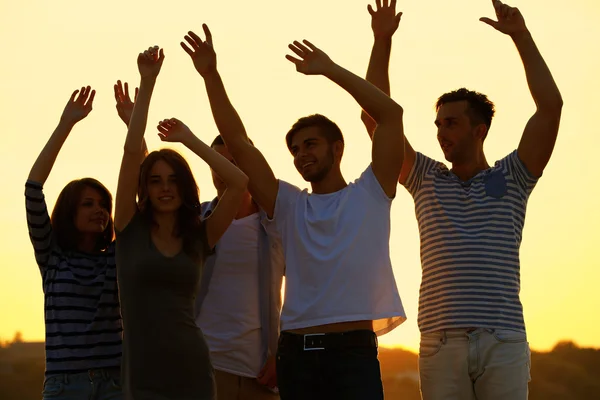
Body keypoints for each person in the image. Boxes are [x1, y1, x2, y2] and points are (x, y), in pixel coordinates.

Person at [181, 25, 406, 399]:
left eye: (311, 144)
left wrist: (330, 69)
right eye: (296, 149)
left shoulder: (372, 192)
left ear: (338, 148)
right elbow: (237, 140)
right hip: (297, 354)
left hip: (354, 353)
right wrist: (210, 75)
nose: (302, 154)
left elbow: (390, 115)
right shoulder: (287, 204)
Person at [360, 1, 563, 398]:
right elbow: (376, 117)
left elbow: (550, 108)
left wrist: (521, 36)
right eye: (437, 124)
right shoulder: (424, 177)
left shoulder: (514, 176)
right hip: (441, 343)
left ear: (480, 130)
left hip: (503, 342)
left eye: (451, 123)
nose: (440, 133)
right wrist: (381, 40)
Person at [114, 45, 249, 400]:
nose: (165, 188)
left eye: (173, 179)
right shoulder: (128, 228)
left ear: (185, 185)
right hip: (141, 373)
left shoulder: (198, 236)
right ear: (145, 186)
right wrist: (147, 83)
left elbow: (239, 183)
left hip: (192, 370)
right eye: (156, 180)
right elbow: (131, 154)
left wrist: (190, 139)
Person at [25, 86, 123, 399]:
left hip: (115, 386)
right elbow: (32, 189)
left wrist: (133, 124)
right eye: (88, 204)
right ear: (70, 211)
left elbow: (141, 201)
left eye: (103, 205)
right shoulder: (53, 257)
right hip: (64, 387)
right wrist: (65, 125)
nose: (100, 211)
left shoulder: (115, 258)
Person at [193, 135, 284, 400]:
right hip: (204, 369)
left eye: (234, 162)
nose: (226, 171)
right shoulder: (195, 222)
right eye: (218, 163)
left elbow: (304, 291)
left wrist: (282, 352)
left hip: (261, 375)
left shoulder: (275, 225)